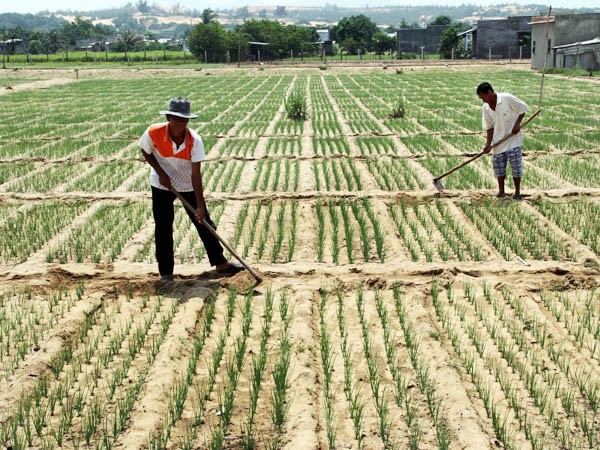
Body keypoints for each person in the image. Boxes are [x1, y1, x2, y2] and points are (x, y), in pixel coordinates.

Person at [139, 97, 242, 282]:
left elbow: (196, 174)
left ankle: (221, 263)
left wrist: (200, 207)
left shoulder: (195, 140)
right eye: (176, 118)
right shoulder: (153, 132)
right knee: (163, 227)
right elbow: (145, 150)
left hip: (186, 183)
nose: (180, 123)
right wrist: (161, 173)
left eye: (184, 119)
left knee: (204, 223)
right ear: (169, 117)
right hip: (162, 184)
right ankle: (166, 273)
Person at [477, 82, 528, 200]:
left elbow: (522, 108)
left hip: (513, 140)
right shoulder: (486, 108)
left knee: (516, 167)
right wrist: (488, 144)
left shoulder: (506, 98)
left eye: (482, 97)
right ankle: (501, 192)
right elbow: (489, 127)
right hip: (498, 142)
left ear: (489, 93)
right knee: (499, 168)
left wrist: (517, 125)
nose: (482, 100)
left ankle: (517, 192)